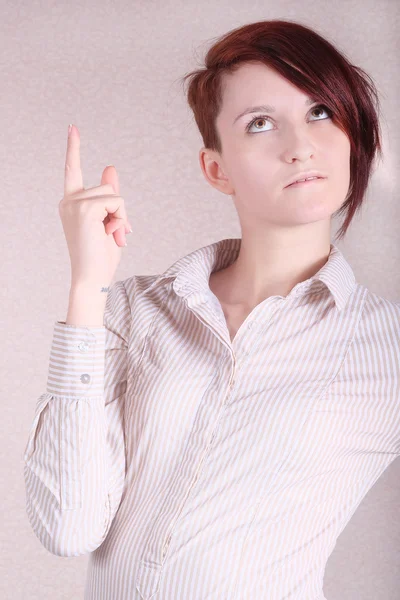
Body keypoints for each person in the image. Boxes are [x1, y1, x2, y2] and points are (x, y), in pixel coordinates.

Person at [23, 18, 400, 600]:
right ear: (216, 169)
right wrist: (87, 286)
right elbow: (68, 527)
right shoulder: (131, 311)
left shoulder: (388, 348)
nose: (299, 145)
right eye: (261, 123)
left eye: (322, 111)